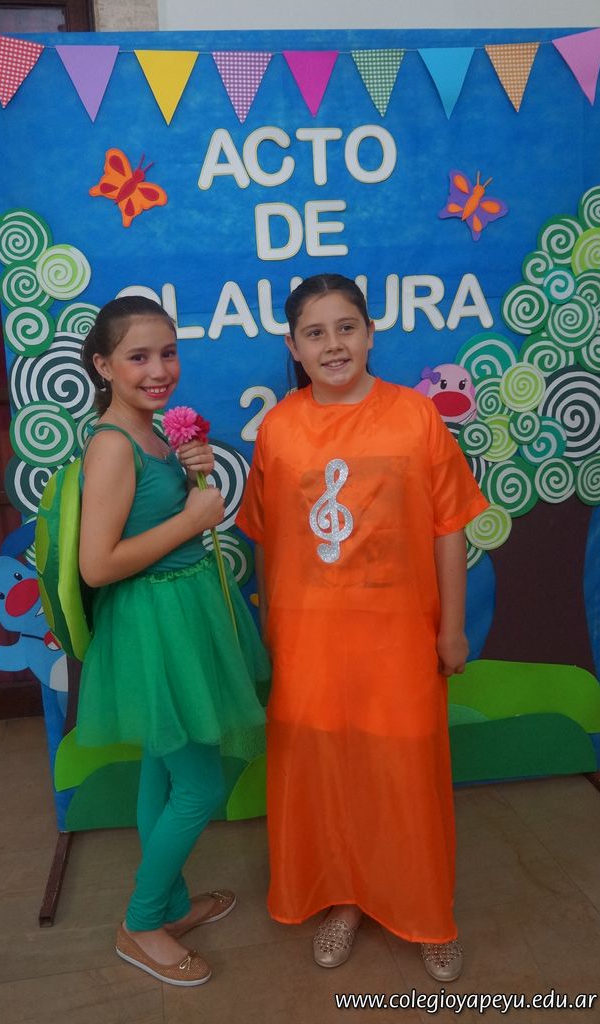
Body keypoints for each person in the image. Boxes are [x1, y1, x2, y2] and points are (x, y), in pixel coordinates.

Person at [236, 274, 488, 982]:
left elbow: (448, 527)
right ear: (293, 347)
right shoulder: (279, 428)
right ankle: (341, 900)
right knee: (326, 773)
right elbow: (268, 538)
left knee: (405, 773)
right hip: (310, 638)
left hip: (400, 636)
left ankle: (429, 913)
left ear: (371, 333)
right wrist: (273, 624)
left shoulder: (415, 417)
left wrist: (452, 628)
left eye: (346, 327)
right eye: (314, 333)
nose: (333, 345)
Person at [77, 295, 269, 987]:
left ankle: (172, 904)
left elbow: (157, 514)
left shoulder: (152, 433)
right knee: (198, 784)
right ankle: (141, 921)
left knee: (162, 770)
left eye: (168, 352)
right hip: (157, 628)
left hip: (181, 618)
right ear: (104, 365)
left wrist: (191, 474)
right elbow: (97, 565)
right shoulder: (112, 445)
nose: (159, 369)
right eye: (138, 356)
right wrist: (193, 518)